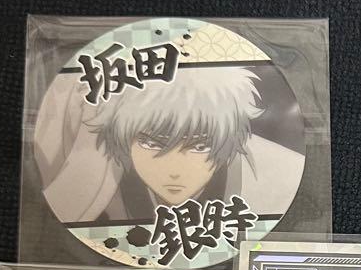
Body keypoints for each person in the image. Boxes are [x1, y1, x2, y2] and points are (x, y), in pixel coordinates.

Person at [36, 65, 304, 226]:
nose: (175, 170)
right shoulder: (98, 178)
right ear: (123, 138)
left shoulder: (277, 173)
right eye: (150, 143)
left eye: (199, 147)